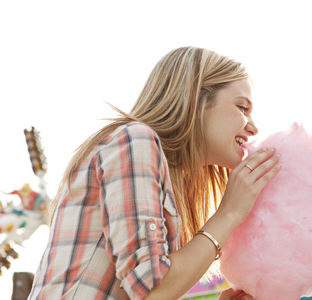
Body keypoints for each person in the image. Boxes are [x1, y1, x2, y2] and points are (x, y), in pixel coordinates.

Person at [28, 46, 282, 300]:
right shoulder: (135, 140)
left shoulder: (165, 181)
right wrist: (230, 213)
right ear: (197, 100)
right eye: (242, 107)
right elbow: (152, 289)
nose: (253, 127)